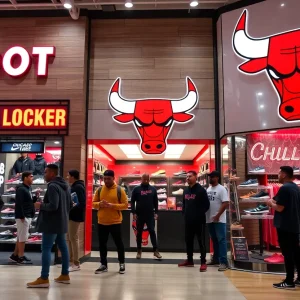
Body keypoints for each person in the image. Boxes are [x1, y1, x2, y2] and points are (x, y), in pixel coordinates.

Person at [27, 164, 72, 288]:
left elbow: (53, 206)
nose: (44, 174)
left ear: (52, 173)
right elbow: (70, 205)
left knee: (46, 248)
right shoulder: (66, 186)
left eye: (46, 172)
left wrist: (39, 205)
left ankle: (44, 277)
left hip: (51, 223)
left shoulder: (52, 186)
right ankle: (64, 274)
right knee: (63, 247)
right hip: (62, 221)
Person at [266, 166, 300, 290]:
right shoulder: (295, 187)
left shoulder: (284, 188)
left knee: (288, 253)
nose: (278, 175)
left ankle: (289, 280)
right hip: (294, 224)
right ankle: (298, 278)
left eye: (279, 173)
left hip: (285, 225)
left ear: (284, 174)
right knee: (296, 252)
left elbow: (280, 207)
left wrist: (270, 203)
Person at [92, 170, 128, 275]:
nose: (106, 181)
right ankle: (103, 264)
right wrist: (100, 204)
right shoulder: (99, 190)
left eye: (108, 179)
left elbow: (125, 205)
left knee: (119, 244)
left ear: (113, 178)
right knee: (102, 244)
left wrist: (113, 206)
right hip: (102, 222)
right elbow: (93, 204)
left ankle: (122, 263)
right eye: (105, 179)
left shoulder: (119, 190)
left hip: (115, 222)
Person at [178, 170, 210, 272]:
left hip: (199, 221)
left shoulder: (201, 190)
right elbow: (184, 204)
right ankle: (190, 260)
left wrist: (198, 214)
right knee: (189, 241)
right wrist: (184, 213)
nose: (188, 178)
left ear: (196, 177)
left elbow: (207, 205)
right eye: (187, 177)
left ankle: (203, 262)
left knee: (201, 242)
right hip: (188, 221)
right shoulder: (186, 191)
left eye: (190, 176)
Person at [131, 173, 162, 260]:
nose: (145, 181)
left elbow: (156, 202)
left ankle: (156, 251)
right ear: (141, 178)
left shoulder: (153, 189)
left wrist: (156, 212)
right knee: (139, 233)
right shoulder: (136, 189)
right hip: (139, 215)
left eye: (147, 179)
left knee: (152, 231)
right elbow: (132, 202)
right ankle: (139, 250)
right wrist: (133, 213)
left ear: (149, 179)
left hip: (150, 215)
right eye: (144, 179)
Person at [9, 171, 35, 264]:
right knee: (23, 238)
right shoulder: (21, 189)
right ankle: (21, 257)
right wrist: (21, 215)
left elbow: (28, 201)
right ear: (25, 178)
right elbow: (19, 204)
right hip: (23, 216)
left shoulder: (28, 188)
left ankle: (15, 255)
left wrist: (36, 197)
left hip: (27, 215)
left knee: (20, 237)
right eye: (31, 177)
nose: (32, 178)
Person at [206, 171, 229, 271]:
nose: (210, 178)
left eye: (212, 177)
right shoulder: (208, 189)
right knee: (214, 240)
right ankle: (215, 259)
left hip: (219, 220)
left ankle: (223, 262)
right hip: (209, 219)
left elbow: (225, 203)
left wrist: (218, 215)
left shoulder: (222, 189)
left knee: (221, 240)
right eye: (209, 177)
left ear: (217, 178)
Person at [67, 169, 86, 272]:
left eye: (68, 175)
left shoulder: (78, 187)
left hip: (75, 216)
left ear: (73, 176)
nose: (67, 177)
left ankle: (76, 263)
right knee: (70, 238)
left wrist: (71, 208)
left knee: (73, 238)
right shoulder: (75, 186)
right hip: (72, 215)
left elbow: (82, 202)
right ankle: (71, 262)